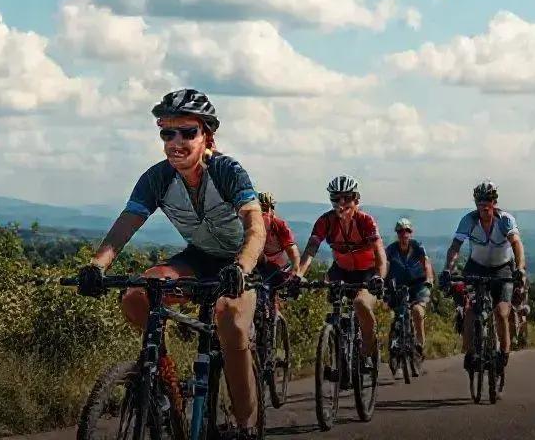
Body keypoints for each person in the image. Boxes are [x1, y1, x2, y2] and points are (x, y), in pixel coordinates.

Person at [76, 88, 265, 440]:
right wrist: (96, 266)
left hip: (240, 262)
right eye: (167, 133)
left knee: (231, 324)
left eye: (187, 132)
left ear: (207, 135)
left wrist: (242, 267)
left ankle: (246, 425)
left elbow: (256, 226)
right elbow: (124, 226)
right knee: (136, 294)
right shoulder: (157, 177)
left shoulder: (227, 171)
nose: (175, 141)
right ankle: (162, 381)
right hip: (197, 258)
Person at [298, 175, 387, 367]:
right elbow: (310, 250)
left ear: (356, 199)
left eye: (347, 197)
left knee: (361, 303)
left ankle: (367, 350)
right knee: (334, 306)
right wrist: (298, 275)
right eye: (336, 198)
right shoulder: (325, 221)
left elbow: (380, 253)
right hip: (340, 270)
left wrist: (379, 277)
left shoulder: (366, 221)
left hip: (367, 271)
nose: (342, 203)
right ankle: (338, 347)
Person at [440, 180, 527, 373]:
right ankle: (470, 352)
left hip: (502, 268)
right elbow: (455, 247)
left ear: (494, 202)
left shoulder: (505, 220)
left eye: (487, 202)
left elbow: (516, 244)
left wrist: (519, 268)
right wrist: (448, 268)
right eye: (480, 203)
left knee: (501, 312)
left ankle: (503, 354)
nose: (483, 206)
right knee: (471, 309)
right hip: (476, 267)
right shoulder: (469, 220)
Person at [385, 217, 434, 353]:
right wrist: (382, 281)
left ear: (411, 232)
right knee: (397, 313)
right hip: (398, 287)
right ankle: (395, 342)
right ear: (397, 233)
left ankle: (420, 344)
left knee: (417, 311)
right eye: (400, 231)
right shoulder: (391, 249)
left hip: (418, 285)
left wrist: (429, 279)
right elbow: (385, 266)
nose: (404, 234)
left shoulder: (417, 246)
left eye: (407, 231)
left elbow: (426, 263)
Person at [256, 191, 301, 285]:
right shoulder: (251, 224)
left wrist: (295, 269)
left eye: (265, 208)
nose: (262, 212)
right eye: (259, 209)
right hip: (259, 260)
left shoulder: (279, 224)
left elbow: (292, 249)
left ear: (271, 208)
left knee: (264, 282)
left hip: (278, 263)